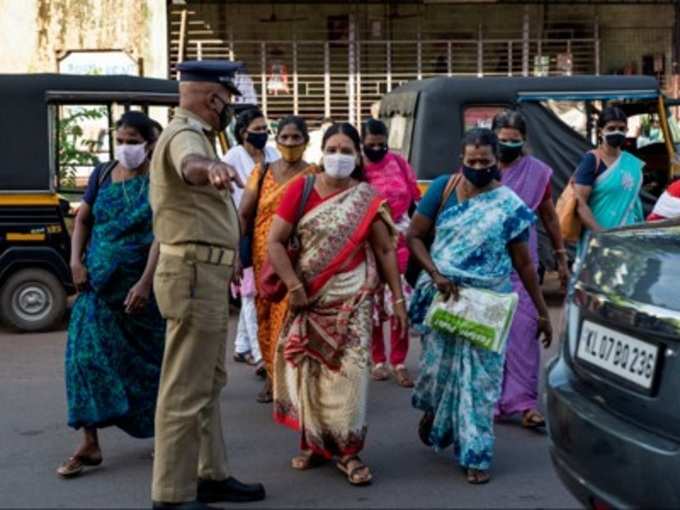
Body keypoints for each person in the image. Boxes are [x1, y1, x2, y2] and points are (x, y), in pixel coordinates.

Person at [406, 128, 553, 485]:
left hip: (489, 303)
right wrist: (435, 273)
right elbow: (413, 236)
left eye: (484, 162)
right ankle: (435, 412)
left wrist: (542, 311)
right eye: (471, 161)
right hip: (446, 298)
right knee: (437, 376)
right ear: (461, 159)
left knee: (481, 384)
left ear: (495, 161)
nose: (477, 167)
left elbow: (524, 264)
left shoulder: (509, 206)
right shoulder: (442, 189)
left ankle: (476, 454)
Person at [149, 60, 265, 510]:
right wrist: (210, 169)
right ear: (213, 98)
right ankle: (172, 495)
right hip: (193, 273)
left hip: (207, 272)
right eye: (227, 101)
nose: (228, 112)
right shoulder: (187, 135)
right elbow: (191, 165)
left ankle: (210, 474)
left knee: (207, 382)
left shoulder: (196, 133)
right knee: (184, 388)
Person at [267, 122, 408, 486]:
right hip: (307, 298)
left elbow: (384, 249)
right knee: (310, 374)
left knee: (350, 376)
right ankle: (315, 444)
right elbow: (275, 243)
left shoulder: (366, 198)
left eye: (347, 151)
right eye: (333, 149)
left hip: (353, 298)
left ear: (358, 156)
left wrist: (397, 298)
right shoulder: (301, 189)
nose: (339, 157)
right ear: (322, 152)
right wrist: (294, 286)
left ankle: (348, 451)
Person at [57, 111, 165, 479]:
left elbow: (164, 235)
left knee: (149, 366)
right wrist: (75, 261)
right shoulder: (102, 174)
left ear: (150, 144)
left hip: (139, 294)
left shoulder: (159, 181)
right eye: (121, 140)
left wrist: (146, 282)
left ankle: (164, 437)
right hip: (96, 288)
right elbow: (84, 219)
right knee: (83, 361)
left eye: (133, 141)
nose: (125, 148)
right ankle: (89, 443)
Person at [491, 110, 568, 428]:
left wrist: (561, 254)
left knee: (524, 330)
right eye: (502, 139)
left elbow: (550, 216)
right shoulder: (481, 167)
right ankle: (490, 400)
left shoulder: (537, 173)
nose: (507, 145)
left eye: (514, 140)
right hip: (487, 263)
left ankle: (524, 403)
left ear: (524, 141)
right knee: (490, 334)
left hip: (523, 263)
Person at [239, 115, 318, 403]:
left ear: (306, 141)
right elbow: (244, 215)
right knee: (265, 316)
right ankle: (273, 378)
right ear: (277, 140)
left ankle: (293, 380)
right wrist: (238, 254)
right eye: (284, 138)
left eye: (296, 138)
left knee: (292, 317)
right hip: (264, 258)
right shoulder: (262, 172)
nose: (289, 143)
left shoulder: (314, 174)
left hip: (298, 256)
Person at [362, 118, 421, 387]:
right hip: (369, 240)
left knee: (399, 303)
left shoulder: (398, 163)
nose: (377, 148)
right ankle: (378, 360)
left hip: (399, 240)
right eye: (371, 144)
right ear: (363, 144)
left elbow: (414, 197)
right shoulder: (358, 167)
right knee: (372, 305)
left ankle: (399, 361)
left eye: (381, 144)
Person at [222, 108, 279, 374]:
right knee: (249, 292)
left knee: (261, 288)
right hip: (243, 229)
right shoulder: (233, 158)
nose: (263, 134)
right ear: (243, 132)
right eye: (258, 129)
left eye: (266, 129)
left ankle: (242, 346)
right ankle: (259, 354)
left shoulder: (272, 155)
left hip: (271, 230)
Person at [574, 106, 644, 255]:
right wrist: (602, 235)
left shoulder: (632, 163)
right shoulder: (592, 160)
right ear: (600, 131)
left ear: (626, 131)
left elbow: (633, 203)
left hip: (629, 240)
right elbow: (580, 204)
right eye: (611, 128)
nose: (616, 132)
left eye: (621, 128)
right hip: (598, 241)